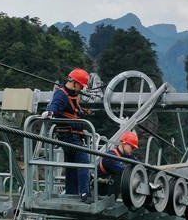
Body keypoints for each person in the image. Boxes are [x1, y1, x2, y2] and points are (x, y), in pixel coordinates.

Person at [44, 68, 94, 202]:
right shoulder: (61, 94)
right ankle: (85, 194)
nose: (81, 89)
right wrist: (50, 113)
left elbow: (72, 110)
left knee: (71, 166)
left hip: (71, 136)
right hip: (70, 136)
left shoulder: (70, 94)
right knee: (84, 161)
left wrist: (84, 112)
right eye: (81, 86)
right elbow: (54, 106)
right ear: (75, 83)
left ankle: (71, 194)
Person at [98, 131, 139, 195]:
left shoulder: (127, 155)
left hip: (111, 193)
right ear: (124, 143)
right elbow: (124, 170)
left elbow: (140, 165)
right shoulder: (109, 157)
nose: (133, 150)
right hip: (100, 192)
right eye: (132, 147)